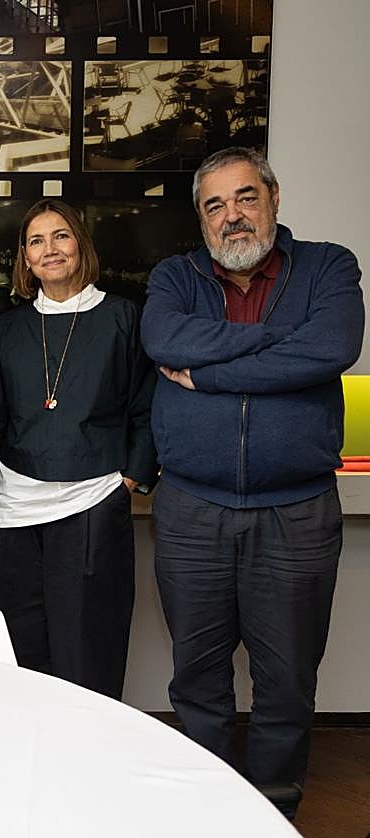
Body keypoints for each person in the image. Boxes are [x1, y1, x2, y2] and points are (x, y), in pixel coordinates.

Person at [141, 147, 363, 817]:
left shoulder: (329, 266)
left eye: (244, 198)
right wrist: (275, 342)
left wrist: (209, 371)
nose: (232, 215)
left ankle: (271, 813)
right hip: (189, 510)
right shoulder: (174, 277)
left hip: (295, 513)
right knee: (198, 680)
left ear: (272, 199)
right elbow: (163, 341)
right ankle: (211, 812)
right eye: (215, 205)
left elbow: (331, 349)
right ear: (202, 219)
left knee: (288, 681)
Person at [0, 199, 157, 700]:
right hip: (15, 506)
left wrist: (132, 478)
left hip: (93, 500)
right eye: (36, 241)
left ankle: (87, 766)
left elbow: (147, 404)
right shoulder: (10, 327)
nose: (49, 249)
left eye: (61, 236)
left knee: (87, 647)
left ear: (81, 246)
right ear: (25, 260)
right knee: (18, 648)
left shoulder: (123, 318)